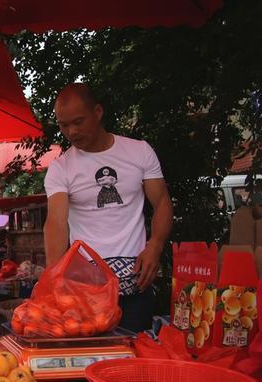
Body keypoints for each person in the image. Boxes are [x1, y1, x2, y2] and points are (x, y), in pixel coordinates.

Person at [43, 82, 173, 333]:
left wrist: (155, 245)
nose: (71, 131)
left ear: (98, 112)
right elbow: (56, 223)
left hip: (137, 282)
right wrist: (54, 277)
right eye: (63, 125)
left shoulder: (139, 152)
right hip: (86, 291)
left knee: (135, 360)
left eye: (78, 122)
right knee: (90, 363)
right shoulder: (61, 168)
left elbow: (163, 202)